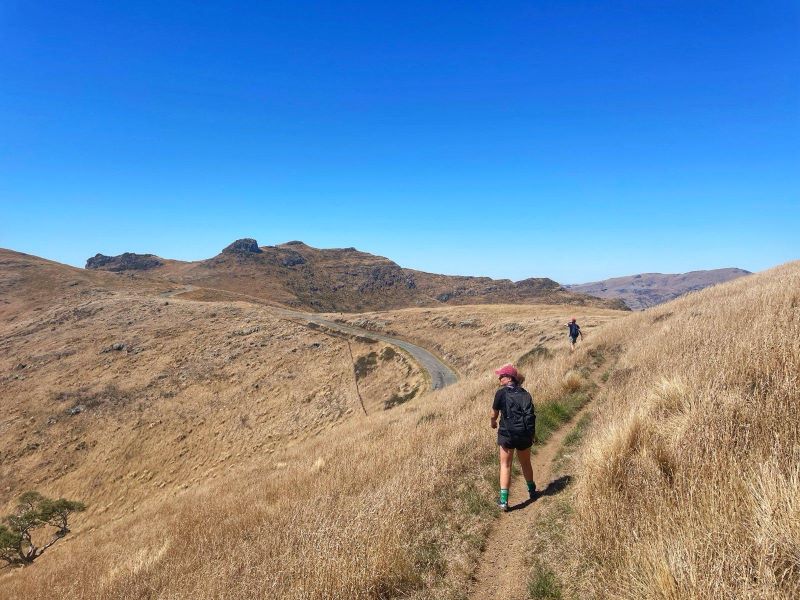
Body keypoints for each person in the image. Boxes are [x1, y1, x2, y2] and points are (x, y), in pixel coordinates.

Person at [491, 364, 537, 511]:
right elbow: (530, 417)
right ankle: (532, 490)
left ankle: (503, 501)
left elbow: (494, 414)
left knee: (505, 465)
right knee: (525, 463)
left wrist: (493, 423)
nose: (499, 378)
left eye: (501, 376)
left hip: (507, 434)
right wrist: (532, 435)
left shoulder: (501, 393)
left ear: (509, 378)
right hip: (524, 434)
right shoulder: (526, 394)